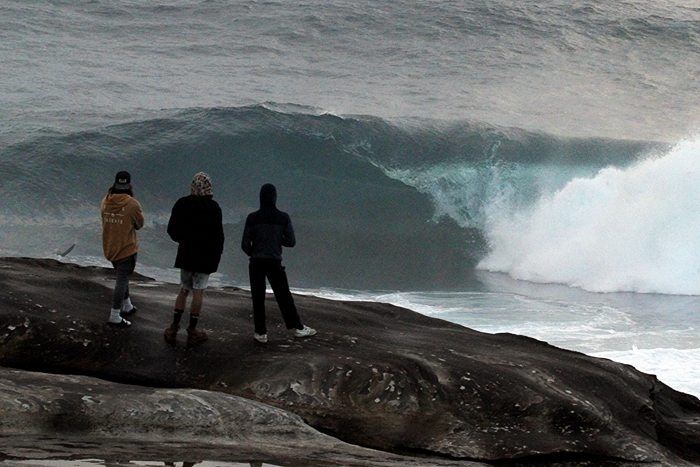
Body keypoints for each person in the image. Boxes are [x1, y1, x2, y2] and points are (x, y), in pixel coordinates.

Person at [241, 183, 316, 343]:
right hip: (274, 261)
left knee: (258, 298)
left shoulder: (252, 217)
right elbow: (291, 242)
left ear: (260, 198)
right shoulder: (283, 217)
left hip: (256, 262)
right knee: (283, 296)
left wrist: (254, 252)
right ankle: (298, 328)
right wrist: (275, 239)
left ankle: (260, 333)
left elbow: (245, 244)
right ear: (275, 198)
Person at [164, 172, 225, 346]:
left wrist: (183, 240)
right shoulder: (213, 207)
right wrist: (217, 255)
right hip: (205, 257)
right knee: (198, 292)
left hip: (186, 253)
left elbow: (171, 229)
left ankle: (173, 328)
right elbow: (218, 236)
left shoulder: (182, 203)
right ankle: (192, 331)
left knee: (184, 289)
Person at [101, 171, 145, 327]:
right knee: (121, 281)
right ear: (129, 185)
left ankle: (127, 305)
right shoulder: (133, 204)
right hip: (126, 249)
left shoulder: (105, 202)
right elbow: (139, 225)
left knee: (122, 277)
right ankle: (114, 315)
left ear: (115, 184)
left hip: (110, 247)